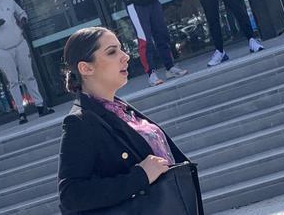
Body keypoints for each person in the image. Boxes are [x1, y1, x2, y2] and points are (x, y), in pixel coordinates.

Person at [57, 27, 203, 213]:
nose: (125, 56)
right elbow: (71, 196)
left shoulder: (121, 109)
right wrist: (139, 176)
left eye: (121, 48)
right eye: (112, 52)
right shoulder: (80, 122)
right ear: (86, 68)